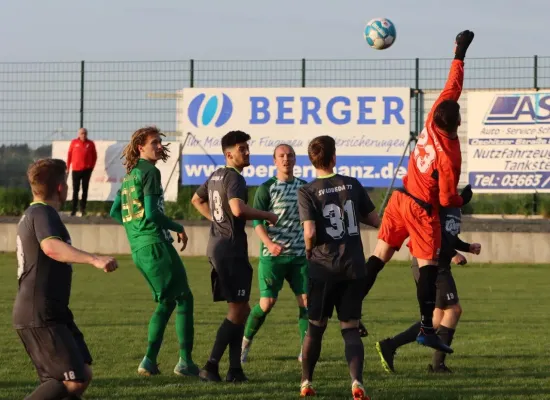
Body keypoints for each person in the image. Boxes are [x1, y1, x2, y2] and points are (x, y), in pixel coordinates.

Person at [360, 30, 475, 354]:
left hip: (400, 200)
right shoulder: (450, 155)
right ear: (457, 122)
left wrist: (459, 52)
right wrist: (463, 200)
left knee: (379, 257)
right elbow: (444, 200)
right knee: (426, 266)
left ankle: (351, 306)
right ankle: (426, 328)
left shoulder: (432, 115)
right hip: (422, 209)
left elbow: (453, 86)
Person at [13, 158, 118, 400]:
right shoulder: (42, 212)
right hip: (40, 313)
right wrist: (94, 259)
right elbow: (51, 247)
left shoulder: (36, 213)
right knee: (73, 380)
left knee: (82, 373)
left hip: (53, 312)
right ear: (61, 187)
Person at [110, 126, 198, 377]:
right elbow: (152, 214)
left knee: (168, 300)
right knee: (184, 297)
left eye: (160, 142)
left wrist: (136, 231)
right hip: (155, 245)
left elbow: (115, 211)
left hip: (139, 248)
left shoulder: (130, 176)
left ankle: (149, 362)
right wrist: (178, 226)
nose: (160, 146)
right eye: (154, 143)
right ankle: (185, 363)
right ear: (141, 148)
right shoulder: (150, 172)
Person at [191, 130, 278, 383]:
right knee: (238, 309)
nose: (247, 152)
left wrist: (217, 220)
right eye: (242, 149)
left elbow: (196, 200)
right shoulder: (234, 178)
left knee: (241, 308)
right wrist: (267, 215)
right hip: (230, 250)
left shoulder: (216, 175)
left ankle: (235, 371)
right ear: (229, 154)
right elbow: (238, 210)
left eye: (247, 147)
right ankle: (210, 365)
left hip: (218, 246)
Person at [297, 135, 379, 400]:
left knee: (315, 327)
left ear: (312, 160)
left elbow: (309, 230)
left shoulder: (307, 191)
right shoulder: (352, 184)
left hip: (323, 268)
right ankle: (356, 383)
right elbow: (374, 219)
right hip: (353, 266)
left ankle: (306, 381)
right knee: (350, 328)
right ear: (334, 157)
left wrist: (309, 249)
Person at [375, 205, 481, 374]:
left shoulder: (454, 206)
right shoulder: (439, 203)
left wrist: (468, 247)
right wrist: (453, 254)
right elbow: (430, 233)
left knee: (437, 319)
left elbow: (449, 236)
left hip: (438, 264)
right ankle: (438, 365)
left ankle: (390, 345)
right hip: (430, 262)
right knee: (454, 310)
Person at [240, 144, 309, 364]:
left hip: (300, 256)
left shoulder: (304, 188)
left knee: (307, 302)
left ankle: (304, 351)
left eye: (289, 155)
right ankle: (244, 345)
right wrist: (269, 244)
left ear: (295, 159)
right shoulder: (266, 188)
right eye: (281, 156)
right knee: (266, 303)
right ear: (274, 161)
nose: (286, 159)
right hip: (273, 256)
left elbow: (310, 221)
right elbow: (256, 221)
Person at [67, 128, 97, 216]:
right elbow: (69, 155)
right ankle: (73, 210)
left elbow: (94, 156)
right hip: (76, 170)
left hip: (86, 170)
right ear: (78, 134)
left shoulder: (90, 144)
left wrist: (91, 167)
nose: (83, 135)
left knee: (85, 190)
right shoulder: (74, 143)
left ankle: (83, 209)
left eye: (85, 133)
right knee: (75, 190)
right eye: (82, 133)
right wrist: (68, 167)